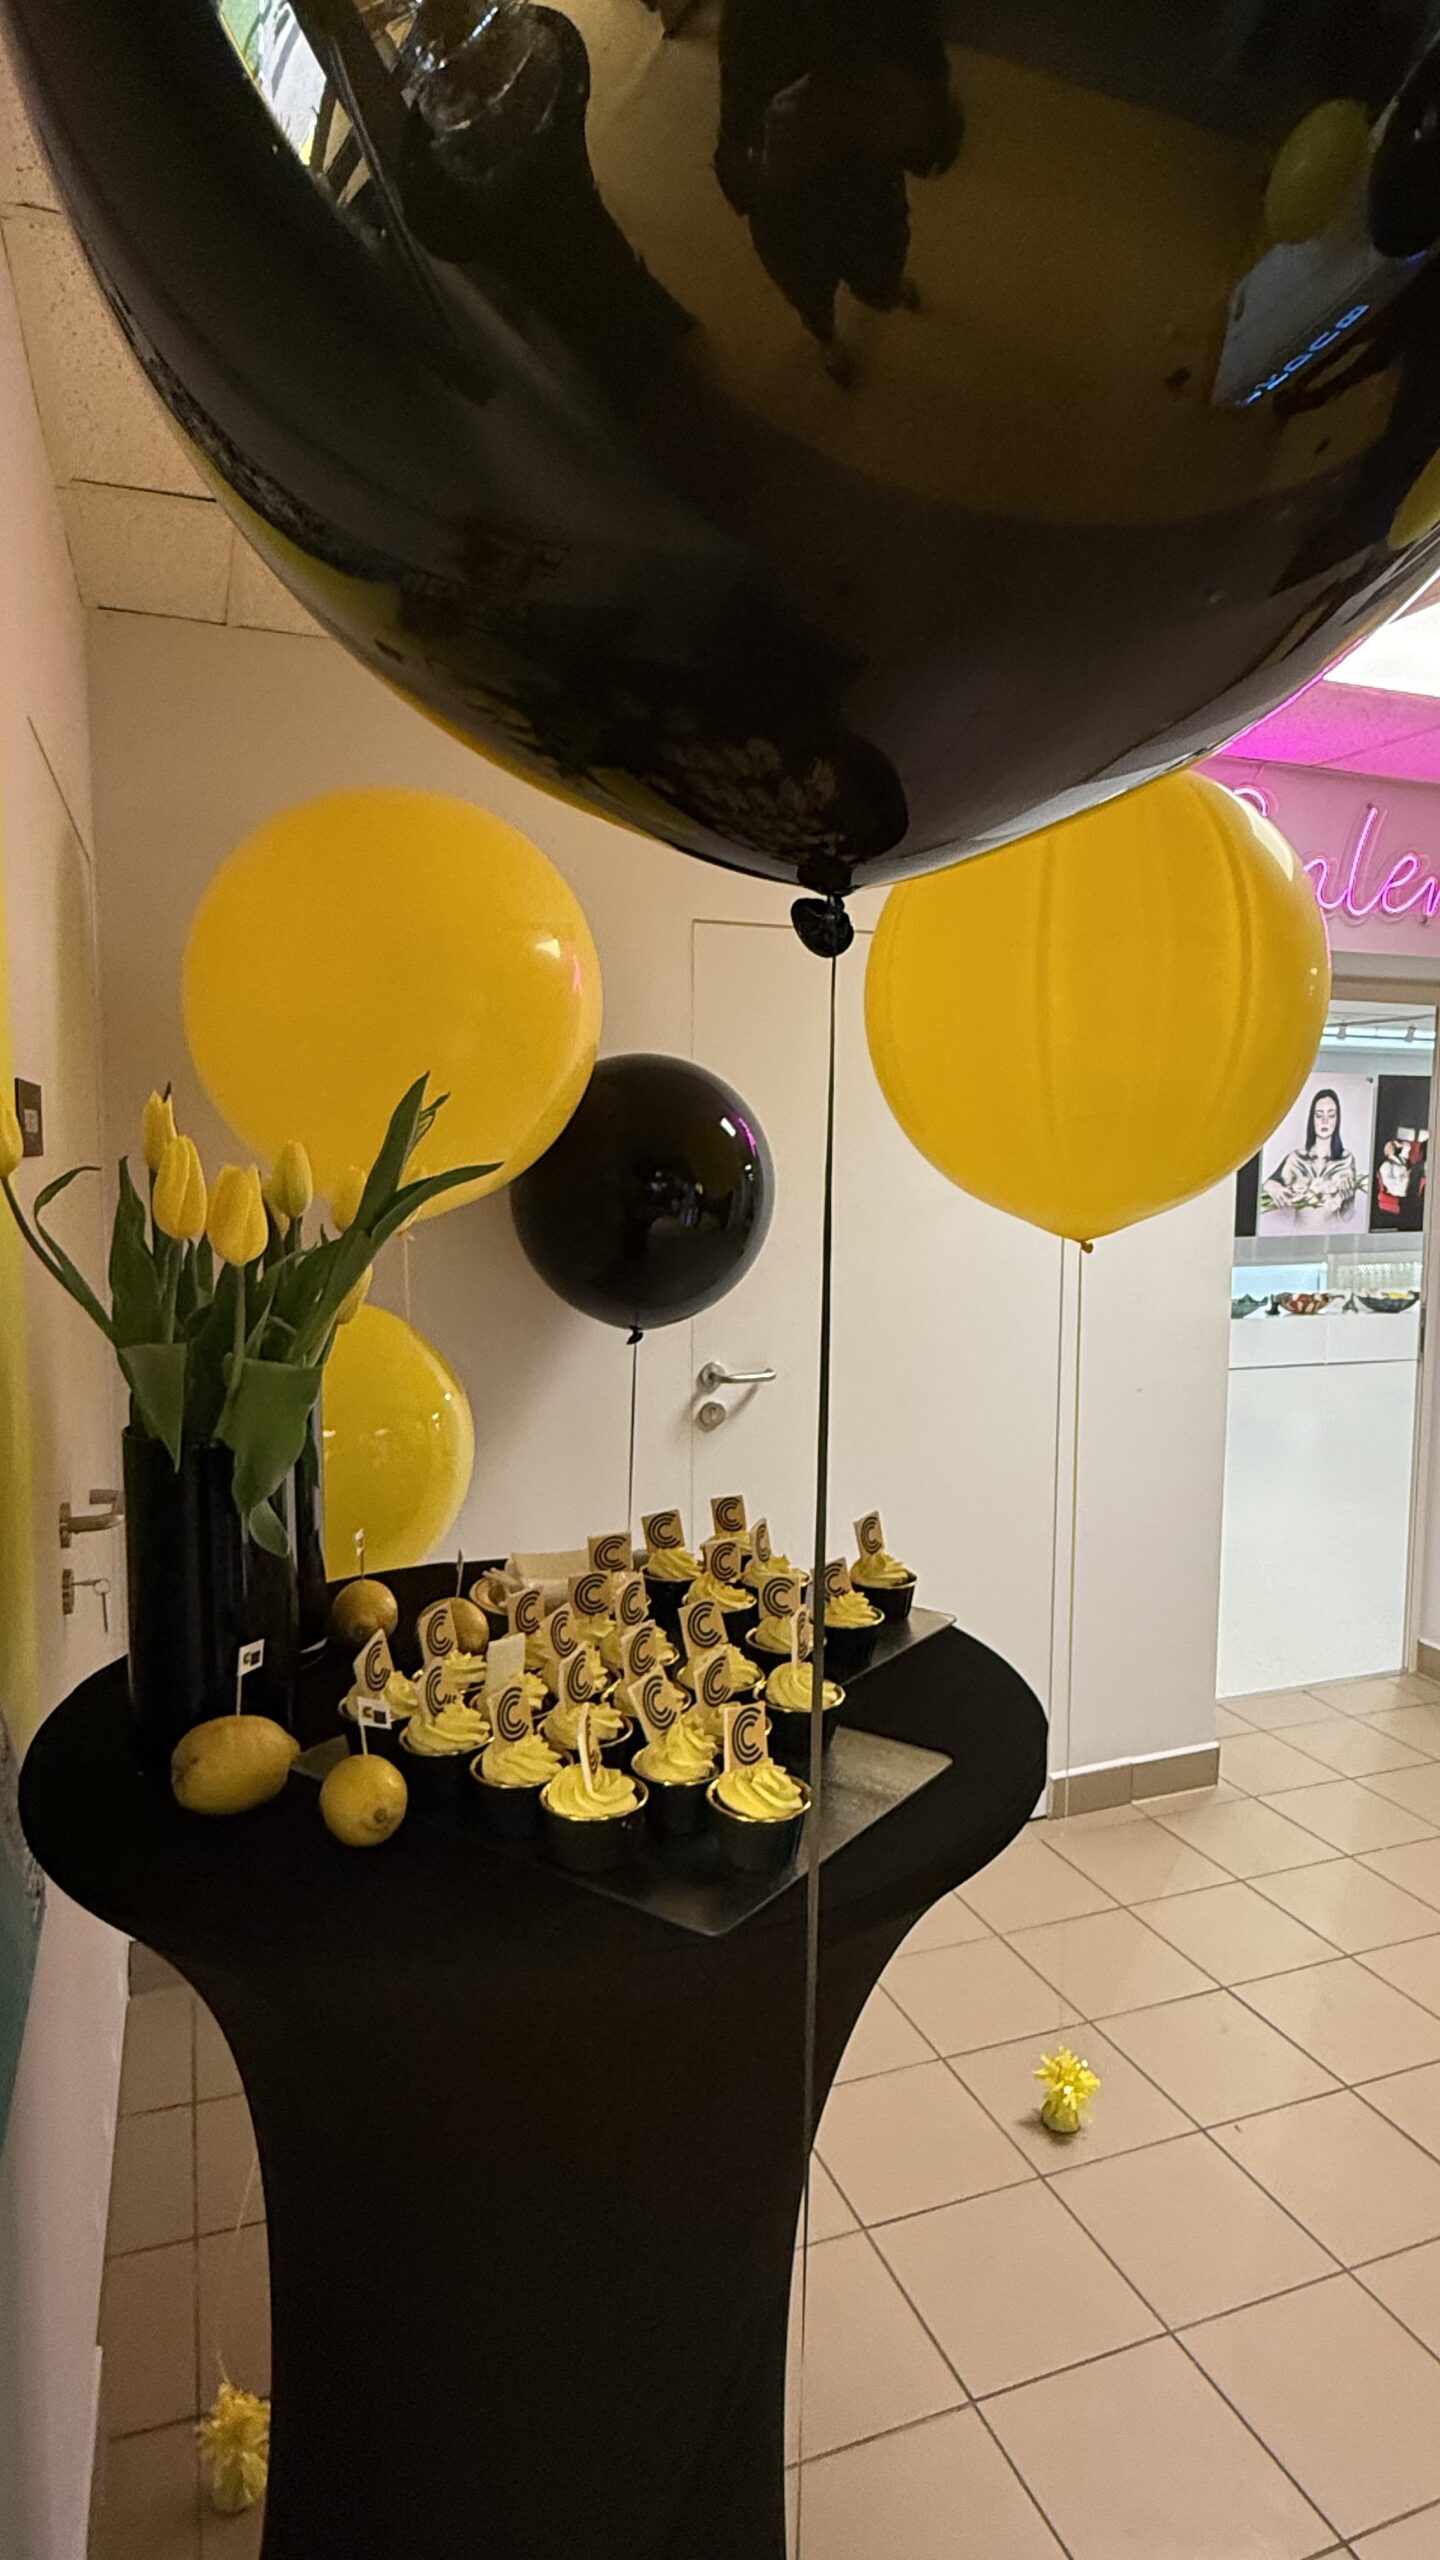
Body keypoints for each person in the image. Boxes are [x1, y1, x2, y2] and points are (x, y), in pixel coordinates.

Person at [1261, 1086, 1365, 1226]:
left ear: (1337, 1120)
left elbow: (1347, 1216)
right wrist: (1276, 1189)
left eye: (1331, 1115)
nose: (1325, 1121)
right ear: (1312, 1119)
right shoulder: (1296, 1158)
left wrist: (1349, 1200)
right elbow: (1268, 1184)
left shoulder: (1346, 1160)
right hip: (1296, 1234)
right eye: (1319, 1115)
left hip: (1332, 1234)